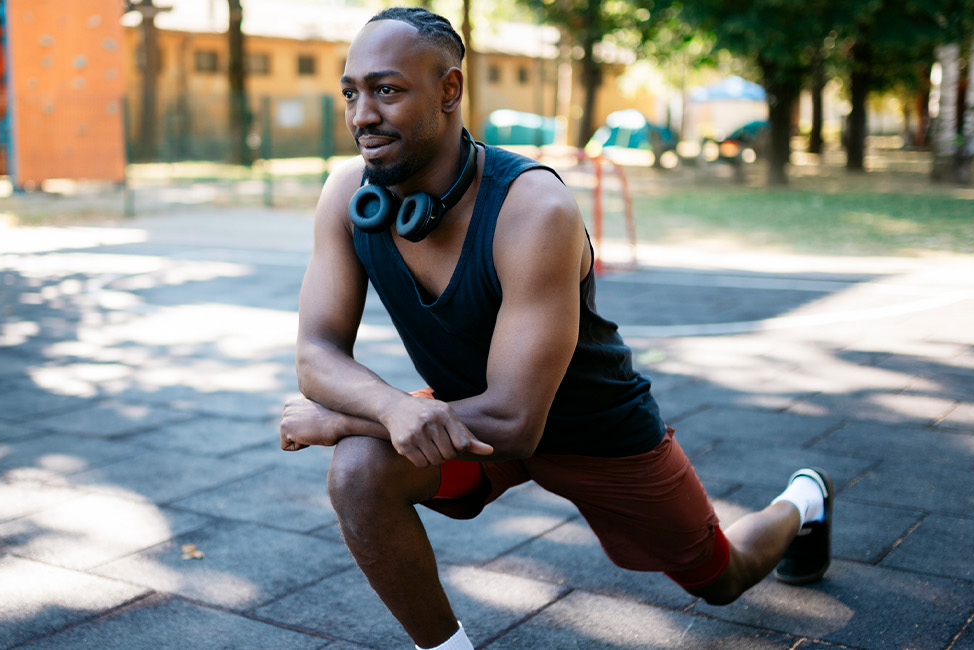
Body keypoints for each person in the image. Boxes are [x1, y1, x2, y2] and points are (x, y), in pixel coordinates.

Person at [279, 8, 832, 650]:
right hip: (469, 424)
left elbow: (518, 423)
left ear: (449, 90)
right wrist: (386, 412)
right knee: (359, 473)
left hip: (595, 431)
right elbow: (315, 353)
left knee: (723, 579)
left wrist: (348, 417)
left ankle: (802, 501)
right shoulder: (350, 195)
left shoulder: (533, 209)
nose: (362, 114)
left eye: (387, 90)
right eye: (351, 91)